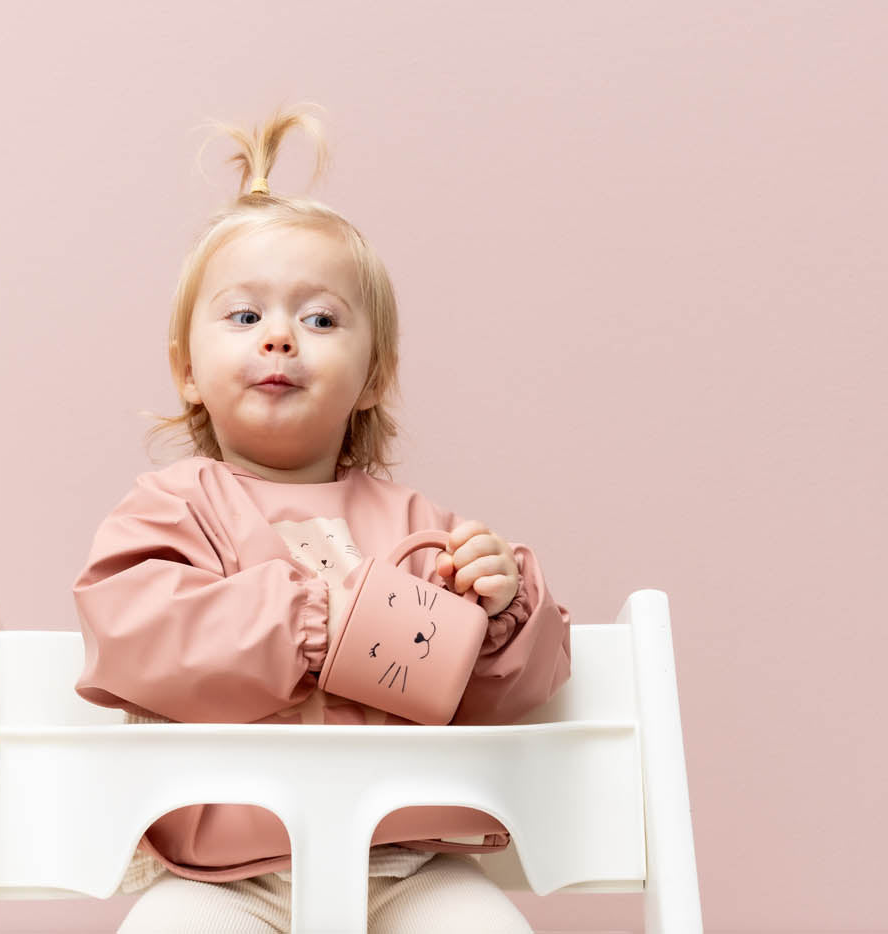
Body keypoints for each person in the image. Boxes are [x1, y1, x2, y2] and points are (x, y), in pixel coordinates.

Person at [70, 101, 572, 933]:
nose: (280, 338)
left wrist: (501, 613)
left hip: (405, 863)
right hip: (229, 874)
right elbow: (134, 630)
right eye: (245, 316)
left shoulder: (418, 524)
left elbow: (503, 693)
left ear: (373, 378)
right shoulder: (173, 507)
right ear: (187, 370)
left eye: (320, 319)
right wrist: (316, 622)